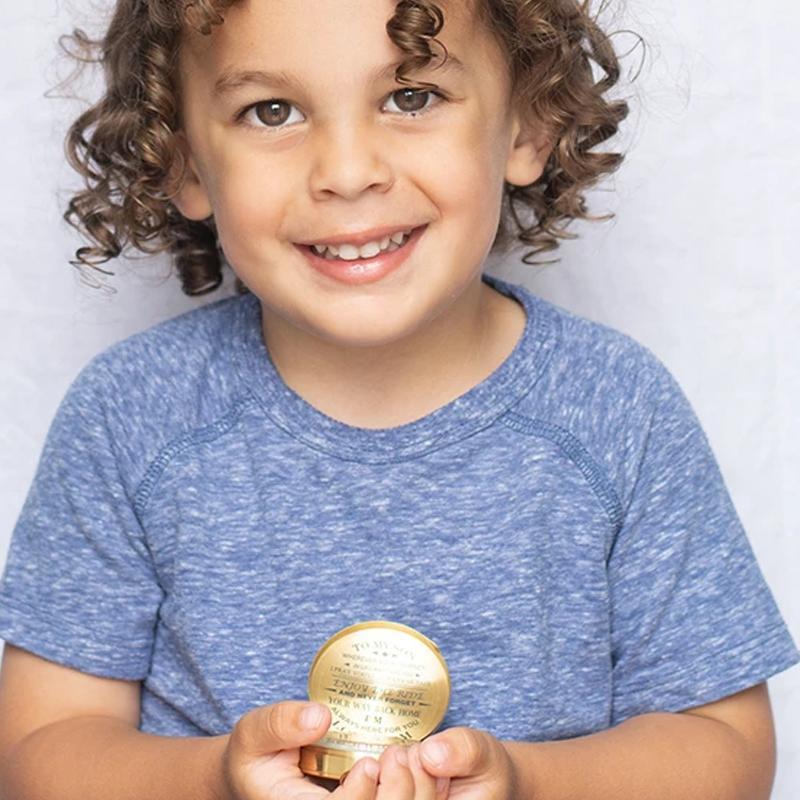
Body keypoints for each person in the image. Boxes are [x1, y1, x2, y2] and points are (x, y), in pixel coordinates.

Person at [0, 0, 797, 799]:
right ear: (180, 159)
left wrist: (528, 784)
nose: (348, 172)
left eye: (411, 96)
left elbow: (725, 750)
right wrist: (216, 782)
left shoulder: (618, 411)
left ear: (528, 123)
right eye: (271, 111)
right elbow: (40, 749)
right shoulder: (130, 417)